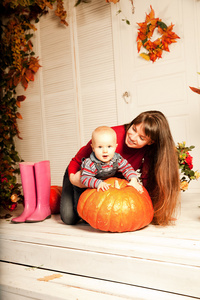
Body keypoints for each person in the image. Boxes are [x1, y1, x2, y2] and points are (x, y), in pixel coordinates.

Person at [60, 110, 180, 226]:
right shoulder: (109, 137)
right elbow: (76, 161)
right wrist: (73, 178)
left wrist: (150, 208)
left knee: (90, 219)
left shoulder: (146, 151)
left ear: (150, 142)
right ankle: (64, 192)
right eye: (133, 129)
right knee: (69, 218)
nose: (133, 137)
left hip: (103, 181)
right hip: (82, 175)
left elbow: (144, 177)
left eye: (141, 138)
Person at [81, 126, 143, 192]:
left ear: (115, 147)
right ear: (93, 148)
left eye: (109, 146)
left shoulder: (117, 159)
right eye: (100, 147)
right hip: (85, 187)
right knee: (81, 199)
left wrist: (133, 180)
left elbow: (127, 168)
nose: (105, 151)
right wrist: (98, 183)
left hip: (106, 183)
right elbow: (85, 178)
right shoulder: (90, 164)